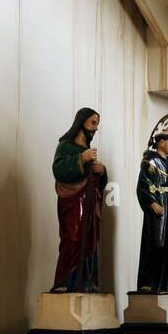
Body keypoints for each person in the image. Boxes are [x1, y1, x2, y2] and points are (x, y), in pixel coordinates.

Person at [52, 107, 107, 293]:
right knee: (73, 237)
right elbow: (58, 170)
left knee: (90, 239)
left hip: (90, 201)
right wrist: (81, 159)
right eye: (93, 123)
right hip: (73, 201)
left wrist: (102, 171)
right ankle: (65, 281)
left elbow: (97, 182)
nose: (95, 128)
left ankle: (86, 281)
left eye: (97, 124)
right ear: (81, 122)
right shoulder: (66, 146)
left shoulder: (88, 151)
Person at [136, 131, 168, 293]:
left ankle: (165, 283)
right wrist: (151, 201)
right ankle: (148, 282)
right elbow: (143, 183)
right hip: (157, 203)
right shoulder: (151, 161)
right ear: (161, 142)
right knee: (155, 241)